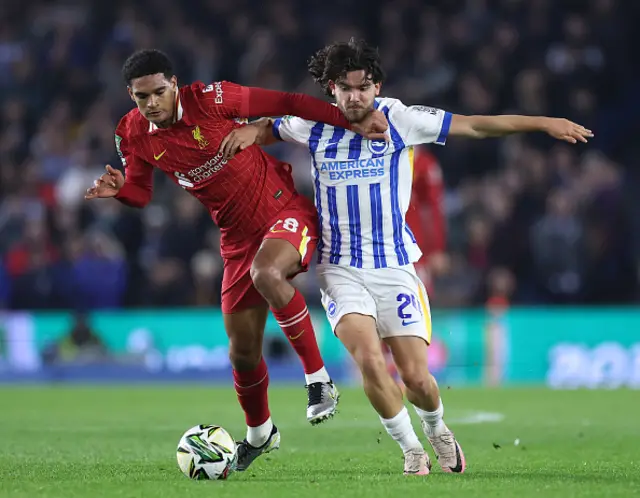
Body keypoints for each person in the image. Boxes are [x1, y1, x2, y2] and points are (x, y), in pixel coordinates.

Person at [219, 39, 593, 475]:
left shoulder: (401, 119)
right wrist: (252, 131)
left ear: (377, 86)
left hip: (395, 266)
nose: (354, 97)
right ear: (331, 91)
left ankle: (436, 429)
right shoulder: (312, 125)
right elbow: (269, 127)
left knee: (417, 380)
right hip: (339, 268)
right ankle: (412, 448)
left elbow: (475, 126)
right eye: (344, 88)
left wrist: (544, 123)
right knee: (369, 362)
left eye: (362, 87)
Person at [84, 49, 388, 471]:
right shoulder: (132, 133)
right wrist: (119, 191)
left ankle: (318, 380)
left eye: (158, 92)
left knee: (267, 272)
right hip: (237, 239)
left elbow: (290, 103)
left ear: (174, 85)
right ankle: (260, 433)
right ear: (130, 96)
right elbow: (141, 192)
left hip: (284, 211)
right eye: (141, 97)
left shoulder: (213, 100)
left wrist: (350, 118)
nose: (151, 103)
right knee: (242, 353)